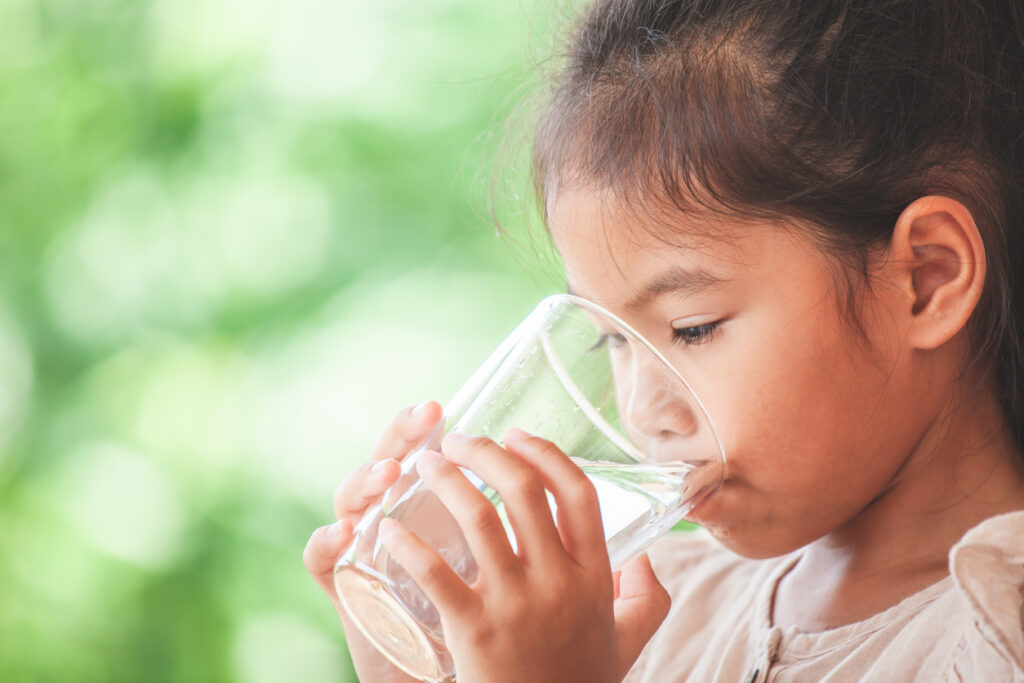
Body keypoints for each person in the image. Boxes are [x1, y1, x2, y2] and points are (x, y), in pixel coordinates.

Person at [304, 1, 1024, 680]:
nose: (642, 410)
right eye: (607, 342)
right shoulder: (641, 615)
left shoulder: (1000, 634)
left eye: (692, 328)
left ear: (926, 279)